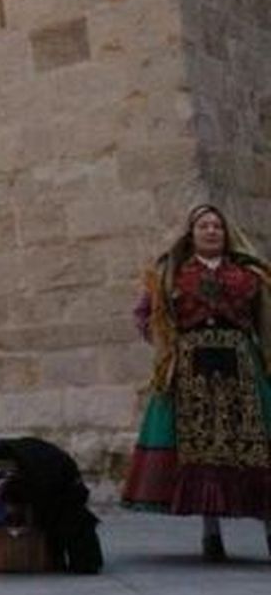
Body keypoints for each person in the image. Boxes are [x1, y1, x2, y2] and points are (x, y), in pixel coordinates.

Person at [122, 203, 271, 560]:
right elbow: (146, 315)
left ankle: (268, 527)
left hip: (241, 367)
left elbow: (265, 318)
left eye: (217, 225)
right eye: (204, 226)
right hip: (191, 369)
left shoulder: (251, 275)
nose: (211, 231)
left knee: (256, 445)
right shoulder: (171, 275)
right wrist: (166, 346)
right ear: (192, 234)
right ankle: (211, 532)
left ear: (226, 233)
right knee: (199, 448)